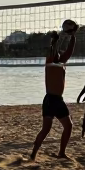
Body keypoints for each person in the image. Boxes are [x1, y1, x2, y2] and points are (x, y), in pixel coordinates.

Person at [30, 21, 78, 160]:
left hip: (55, 100)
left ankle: (59, 153)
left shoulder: (61, 62)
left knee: (65, 127)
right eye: (57, 51)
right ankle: (35, 154)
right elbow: (52, 50)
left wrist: (73, 37)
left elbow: (69, 51)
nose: (59, 52)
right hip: (52, 99)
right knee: (52, 128)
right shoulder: (50, 61)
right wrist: (54, 40)